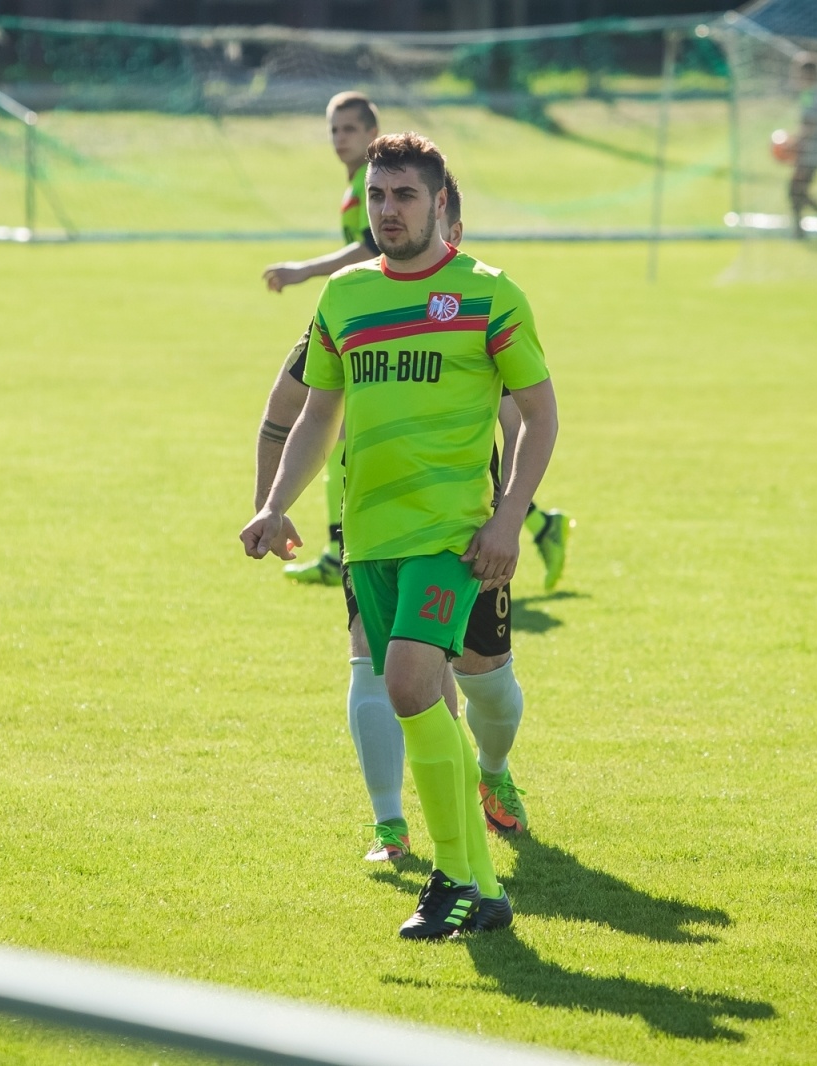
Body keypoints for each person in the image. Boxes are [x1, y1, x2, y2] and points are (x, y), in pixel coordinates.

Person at [242, 132, 558, 939]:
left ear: (441, 204)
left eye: (405, 196)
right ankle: (481, 886)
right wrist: (277, 504)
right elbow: (317, 414)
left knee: (417, 686)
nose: (388, 211)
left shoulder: (490, 294)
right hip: (371, 539)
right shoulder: (345, 297)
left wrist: (509, 516)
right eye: (378, 197)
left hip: (451, 537)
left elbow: (540, 415)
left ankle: (451, 876)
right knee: (417, 701)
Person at [261, 92, 383, 587]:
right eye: (334, 130)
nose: (340, 139)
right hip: (364, 316)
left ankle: (534, 518)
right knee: (339, 438)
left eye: (349, 129)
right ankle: (338, 548)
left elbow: (370, 248)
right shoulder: (358, 182)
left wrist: (303, 270)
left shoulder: (373, 181)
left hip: (380, 321)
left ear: (372, 133)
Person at [787, 53, 817, 242]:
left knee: (796, 190)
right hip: (806, 150)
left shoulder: (814, 95)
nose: (796, 76)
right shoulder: (808, 94)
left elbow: (811, 124)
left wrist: (794, 142)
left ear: (810, 74)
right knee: (796, 190)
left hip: (811, 152)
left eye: (800, 73)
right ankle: (800, 229)